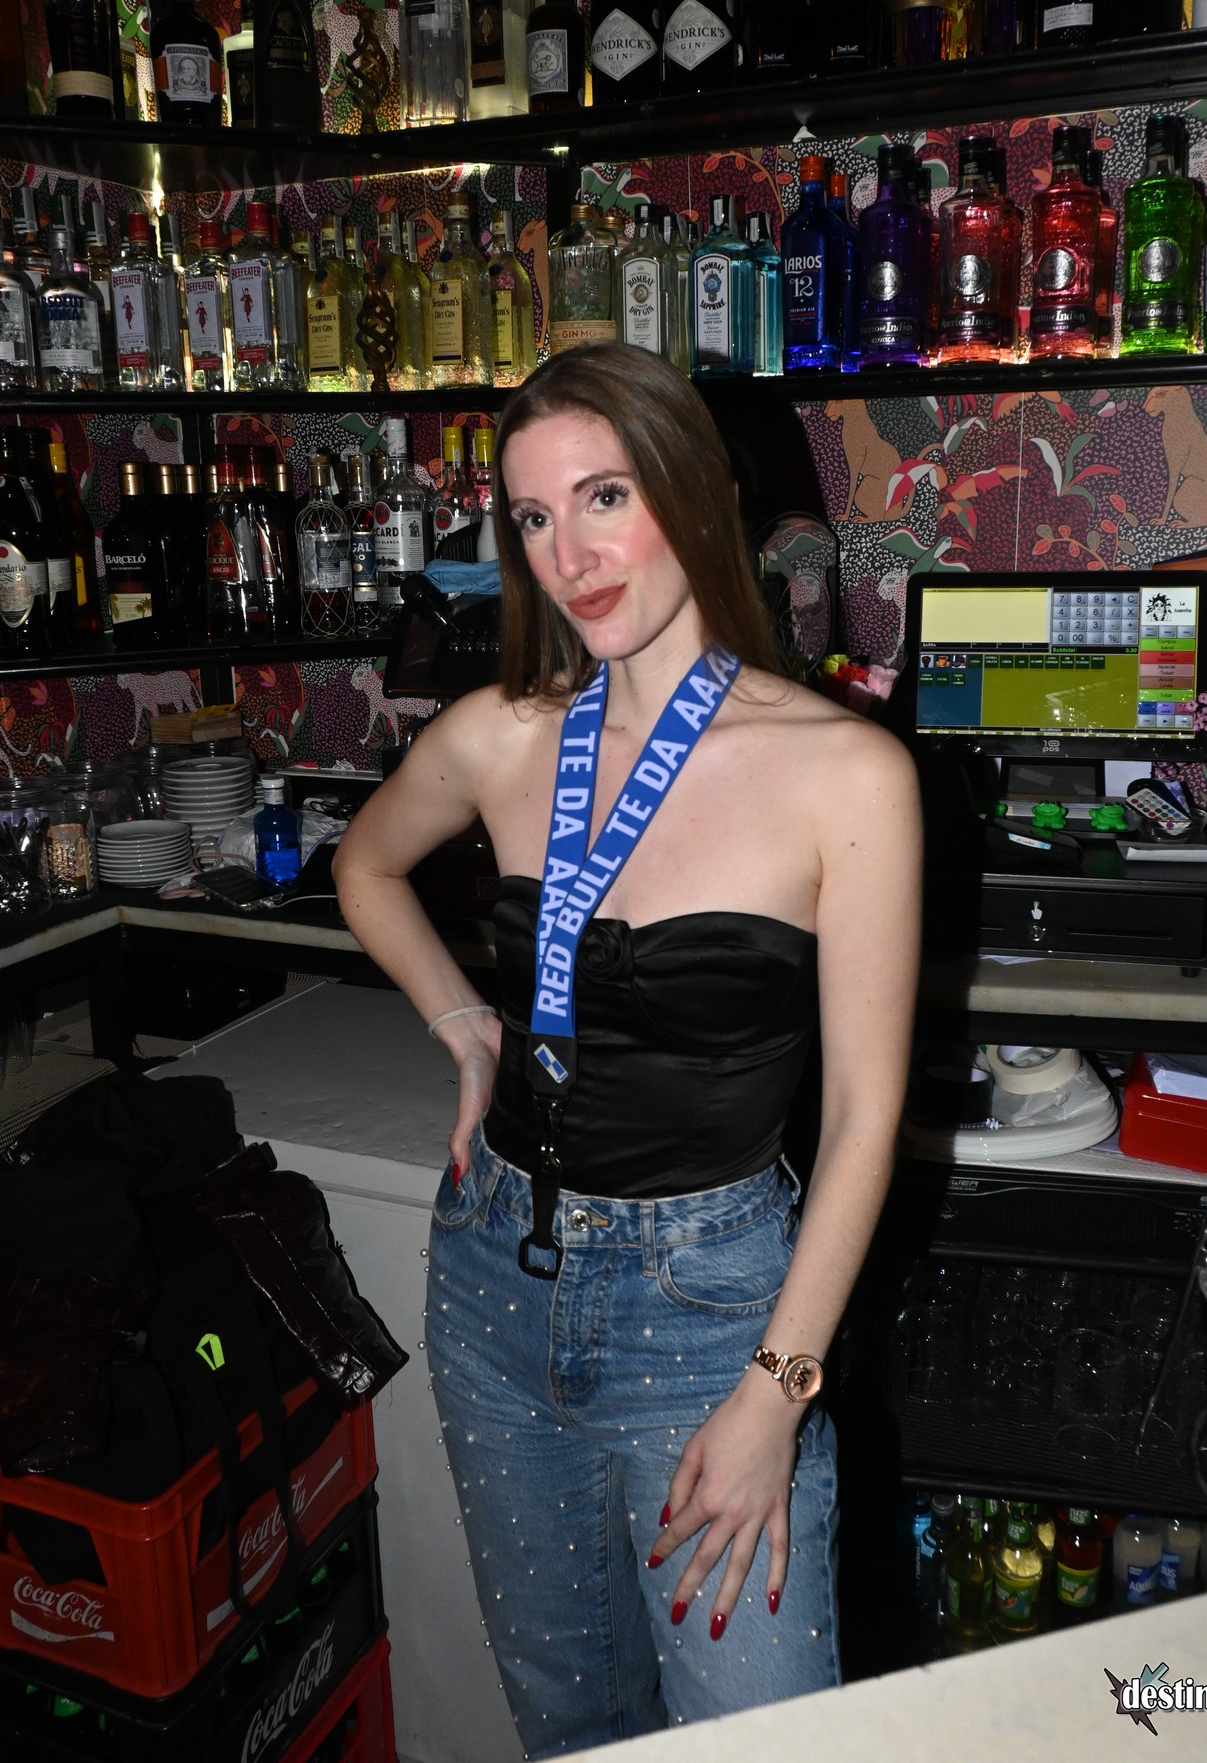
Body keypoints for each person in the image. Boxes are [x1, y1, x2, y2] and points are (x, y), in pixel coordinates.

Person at [333, 343, 921, 1757]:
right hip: (493, 1281)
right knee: (572, 1722)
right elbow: (365, 865)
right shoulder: (499, 736)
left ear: (694, 493)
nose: (571, 557)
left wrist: (778, 1393)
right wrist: (466, 1026)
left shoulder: (849, 773)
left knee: (752, 1738)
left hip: (712, 1313)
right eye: (535, 518)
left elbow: (863, 1120)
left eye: (605, 497)